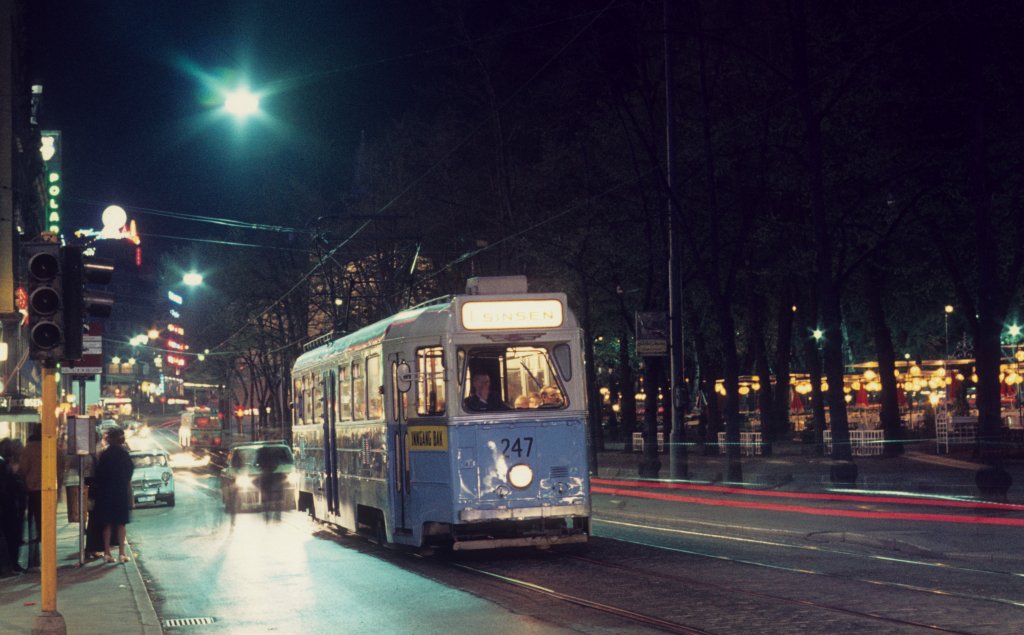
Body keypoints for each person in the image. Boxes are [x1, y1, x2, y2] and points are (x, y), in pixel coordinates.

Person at [92, 428, 134, 563]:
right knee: (121, 524)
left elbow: (98, 474)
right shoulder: (124, 454)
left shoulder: (104, 455)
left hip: (105, 493)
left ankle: (107, 553)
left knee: (107, 524)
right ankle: (122, 553)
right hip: (120, 492)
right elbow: (129, 473)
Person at [17, 428, 42, 568]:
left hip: (33, 489)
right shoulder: (53, 447)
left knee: (33, 523)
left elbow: (23, 469)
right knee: (45, 522)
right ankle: (45, 552)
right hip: (50, 489)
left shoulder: (28, 449)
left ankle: (33, 558)